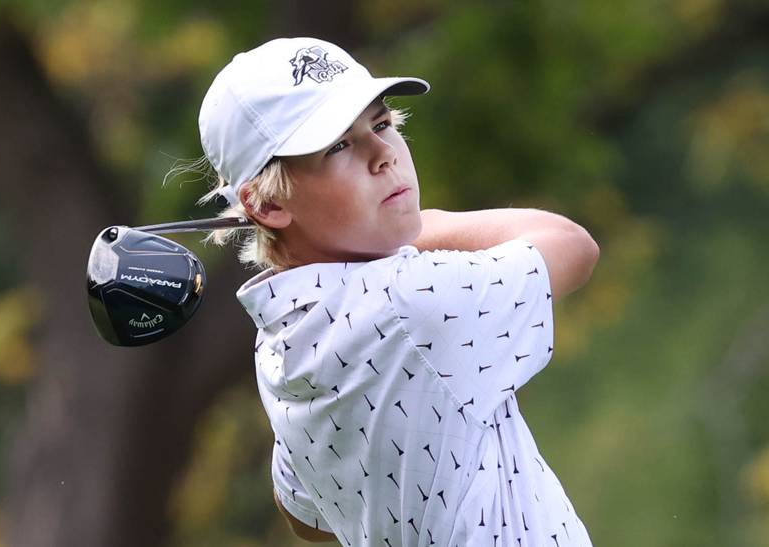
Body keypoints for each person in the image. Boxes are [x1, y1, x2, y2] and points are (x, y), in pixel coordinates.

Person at [196, 36, 599, 546]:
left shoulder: (277, 345)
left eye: (381, 124)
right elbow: (571, 245)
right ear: (269, 206)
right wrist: (424, 226)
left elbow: (307, 520)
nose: (384, 154)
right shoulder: (409, 300)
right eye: (338, 146)